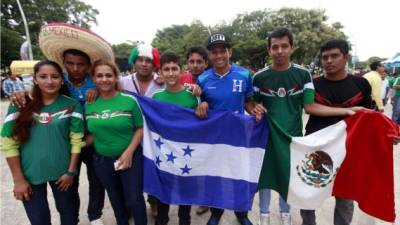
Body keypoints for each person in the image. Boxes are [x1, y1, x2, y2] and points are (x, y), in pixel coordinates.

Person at [9, 23, 115, 225]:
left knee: (97, 181)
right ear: (64, 63)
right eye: (70, 63)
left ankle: (95, 216)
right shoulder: (56, 80)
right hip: (65, 143)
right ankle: (71, 219)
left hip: (93, 141)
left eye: (81, 64)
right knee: (69, 184)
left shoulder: (99, 81)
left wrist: (100, 93)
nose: (76, 68)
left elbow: (115, 98)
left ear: (88, 65)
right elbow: (37, 94)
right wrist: (22, 93)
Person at [253, 28, 360, 225]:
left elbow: (309, 106)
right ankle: (264, 216)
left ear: (292, 47)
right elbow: (251, 103)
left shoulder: (303, 75)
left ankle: (286, 216)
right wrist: (253, 107)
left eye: (284, 46)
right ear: (268, 51)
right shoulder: (259, 77)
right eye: (275, 47)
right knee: (265, 178)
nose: (280, 51)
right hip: (265, 137)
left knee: (288, 178)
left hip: (293, 139)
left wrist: (346, 111)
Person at [1, 60, 85, 225]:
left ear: (62, 80)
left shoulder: (72, 105)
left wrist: (70, 172)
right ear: (35, 79)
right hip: (30, 174)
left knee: (69, 214)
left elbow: (77, 141)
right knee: (39, 219)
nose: (49, 81)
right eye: (43, 76)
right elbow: (8, 143)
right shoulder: (20, 104)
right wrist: (18, 180)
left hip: (62, 174)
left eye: (55, 77)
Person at [299, 39, 373, 225]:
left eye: (334, 56)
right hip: (317, 147)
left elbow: (369, 117)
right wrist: (346, 111)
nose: (329, 61)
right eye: (325, 57)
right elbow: (309, 107)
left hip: (348, 147)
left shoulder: (361, 84)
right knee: (308, 193)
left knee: (345, 196)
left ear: (346, 57)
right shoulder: (312, 83)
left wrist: (388, 136)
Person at [196, 32, 263, 225]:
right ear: (209, 55)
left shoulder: (244, 74)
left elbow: (248, 102)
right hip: (214, 138)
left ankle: (241, 213)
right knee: (216, 176)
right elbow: (199, 106)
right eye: (214, 52)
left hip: (239, 136)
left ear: (230, 52)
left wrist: (254, 110)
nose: (219, 56)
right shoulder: (203, 79)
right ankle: (216, 212)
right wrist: (202, 105)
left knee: (240, 174)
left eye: (222, 51)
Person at [85, 60, 147, 225]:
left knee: (134, 199)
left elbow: (140, 129)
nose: (104, 79)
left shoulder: (129, 101)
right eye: (99, 76)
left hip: (131, 158)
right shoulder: (89, 104)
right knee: (116, 200)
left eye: (108, 75)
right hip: (102, 161)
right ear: (93, 78)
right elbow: (91, 134)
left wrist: (128, 153)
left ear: (115, 78)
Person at [152, 51, 199, 225]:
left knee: (186, 188)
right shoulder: (156, 97)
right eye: (166, 69)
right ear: (161, 72)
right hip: (165, 153)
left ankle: (184, 220)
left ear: (181, 70)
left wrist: (202, 103)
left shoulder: (193, 95)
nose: (171, 73)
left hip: (187, 152)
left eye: (174, 69)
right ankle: (162, 219)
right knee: (164, 187)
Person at [179, 46, 209, 216]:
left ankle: (205, 200)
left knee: (205, 165)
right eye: (192, 61)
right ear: (187, 63)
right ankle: (188, 195)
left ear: (206, 63)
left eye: (199, 61)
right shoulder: (181, 79)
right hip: (186, 133)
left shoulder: (211, 79)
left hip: (206, 132)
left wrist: (204, 102)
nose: (195, 65)